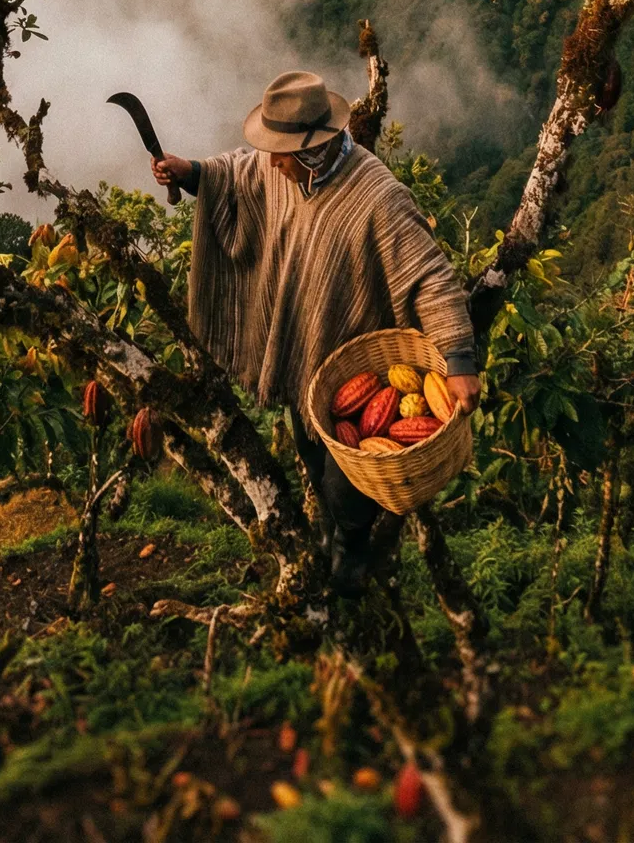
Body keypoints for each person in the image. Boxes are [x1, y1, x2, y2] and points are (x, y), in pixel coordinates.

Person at [151, 69, 481, 598]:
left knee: (345, 480)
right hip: (304, 360)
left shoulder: (376, 197)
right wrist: (187, 171)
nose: (270, 160)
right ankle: (332, 530)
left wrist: (460, 360)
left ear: (315, 148)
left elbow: (429, 276)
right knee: (309, 450)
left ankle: (353, 549)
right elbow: (236, 172)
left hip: (354, 362)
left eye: (280, 152)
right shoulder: (281, 168)